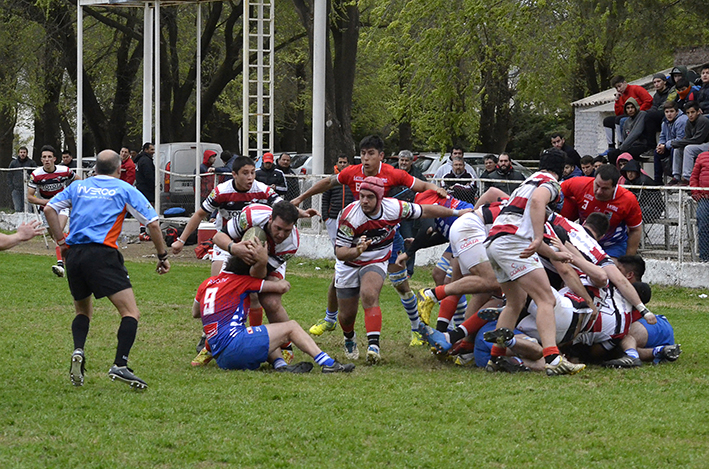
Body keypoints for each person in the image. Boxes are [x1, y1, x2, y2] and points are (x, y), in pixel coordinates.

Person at [292, 135, 447, 339]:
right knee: (338, 279)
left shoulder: (391, 173)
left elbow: (421, 185)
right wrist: (302, 197)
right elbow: (329, 182)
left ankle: (416, 328)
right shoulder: (353, 172)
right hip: (357, 236)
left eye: (371, 154)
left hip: (387, 237)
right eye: (363, 153)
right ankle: (330, 320)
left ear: (381, 156)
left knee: (401, 284)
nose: (366, 158)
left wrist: (434, 188)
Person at [44, 149, 171, 389]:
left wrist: (61, 242)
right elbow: (153, 223)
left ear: (95, 168)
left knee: (83, 311)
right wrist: (162, 255)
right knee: (130, 312)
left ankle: (78, 350)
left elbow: (50, 209)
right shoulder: (124, 189)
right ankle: (120, 365)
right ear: (119, 169)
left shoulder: (78, 186)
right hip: (102, 254)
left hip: (75, 255)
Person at [334, 176, 469, 364]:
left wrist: (455, 212)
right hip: (349, 262)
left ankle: (374, 347)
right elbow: (339, 252)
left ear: (380, 198)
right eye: (362, 196)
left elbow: (426, 211)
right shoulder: (350, 216)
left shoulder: (394, 207)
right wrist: (356, 251)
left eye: (369, 197)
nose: (364, 201)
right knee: (347, 315)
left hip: (377, 257)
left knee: (370, 294)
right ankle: (349, 338)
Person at [482, 147, 585, 375]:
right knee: (546, 298)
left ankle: (496, 359)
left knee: (515, 302)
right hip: (512, 243)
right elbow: (538, 203)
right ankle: (554, 359)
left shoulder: (528, 180)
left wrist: (553, 253)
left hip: (494, 242)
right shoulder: (551, 183)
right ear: (562, 170)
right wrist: (539, 239)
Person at [192, 246, 355, 373]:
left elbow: (196, 313)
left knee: (265, 334)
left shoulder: (208, 283)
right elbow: (282, 287)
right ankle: (328, 363)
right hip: (236, 346)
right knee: (290, 326)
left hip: (221, 357)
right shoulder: (242, 281)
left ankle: (280, 365)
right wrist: (267, 267)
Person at [560, 164, 643, 258]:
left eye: (605, 189)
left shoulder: (628, 200)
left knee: (610, 269)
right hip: (584, 240)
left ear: (614, 187)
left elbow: (635, 230)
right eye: (597, 185)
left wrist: (628, 260)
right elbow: (554, 190)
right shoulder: (579, 183)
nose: (599, 191)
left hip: (613, 244)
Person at [27, 145, 77, 277]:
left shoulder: (64, 171)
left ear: (55, 159)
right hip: (46, 208)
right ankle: (70, 257)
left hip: (62, 206)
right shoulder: (36, 175)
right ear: (41, 159)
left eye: (49, 157)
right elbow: (30, 197)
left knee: (58, 232)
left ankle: (60, 264)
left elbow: (79, 182)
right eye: (44, 157)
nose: (47, 160)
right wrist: (46, 202)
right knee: (56, 237)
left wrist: (70, 196)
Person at [602, 75, 653, 153]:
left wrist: (638, 112)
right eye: (616, 88)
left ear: (625, 83)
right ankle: (611, 146)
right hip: (628, 115)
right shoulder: (622, 95)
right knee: (607, 120)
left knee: (620, 120)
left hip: (639, 116)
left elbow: (648, 101)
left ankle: (622, 143)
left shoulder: (636, 89)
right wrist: (617, 100)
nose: (619, 89)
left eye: (620, 86)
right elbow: (619, 113)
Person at [668, 101, 709, 186]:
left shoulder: (703, 121)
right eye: (688, 113)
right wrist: (679, 143)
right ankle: (676, 176)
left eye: (692, 112)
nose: (690, 115)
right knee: (678, 149)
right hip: (697, 144)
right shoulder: (688, 122)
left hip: (706, 144)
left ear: (698, 112)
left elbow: (698, 140)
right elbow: (688, 137)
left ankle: (687, 178)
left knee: (688, 149)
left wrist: (678, 142)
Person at [607, 97, 653, 166]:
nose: (630, 110)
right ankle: (616, 173)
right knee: (611, 154)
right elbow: (625, 137)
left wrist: (622, 147)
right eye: (628, 108)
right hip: (629, 146)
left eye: (632, 107)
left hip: (640, 145)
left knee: (626, 154)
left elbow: (636, 133)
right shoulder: (626, 122)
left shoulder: (642, 115)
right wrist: (621, 147)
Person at [655, 100, 688, 184]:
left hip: (681, 146)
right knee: (657, 153)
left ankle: (676, 177)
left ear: (677, 112)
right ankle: (658, 180)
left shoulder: (682, 120)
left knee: (675, 149)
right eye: (666, 112)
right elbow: (662, 136)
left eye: (671, 111)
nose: (669, 114)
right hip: (669, 145)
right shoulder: (664, 122)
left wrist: (665, 145)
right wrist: (660, 145)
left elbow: (680, 139)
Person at [690, 151, 709, 261]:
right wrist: (696, 193)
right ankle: (705, 258)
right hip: (704, 198)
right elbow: (694, 177)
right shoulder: (702, 157)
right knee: (703, 226)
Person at [8, 146, 36, 213]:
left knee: (28, 209)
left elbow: (35, 174)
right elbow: (9, 175)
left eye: (24, 152)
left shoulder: (31, 163)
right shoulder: (13, 163)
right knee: (18, 208)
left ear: (27, 153)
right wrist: (11, 186)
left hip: (28, 190)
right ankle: (20, 222)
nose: (22, 154)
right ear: (18, 153)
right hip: (16, 189)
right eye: (21, 152)